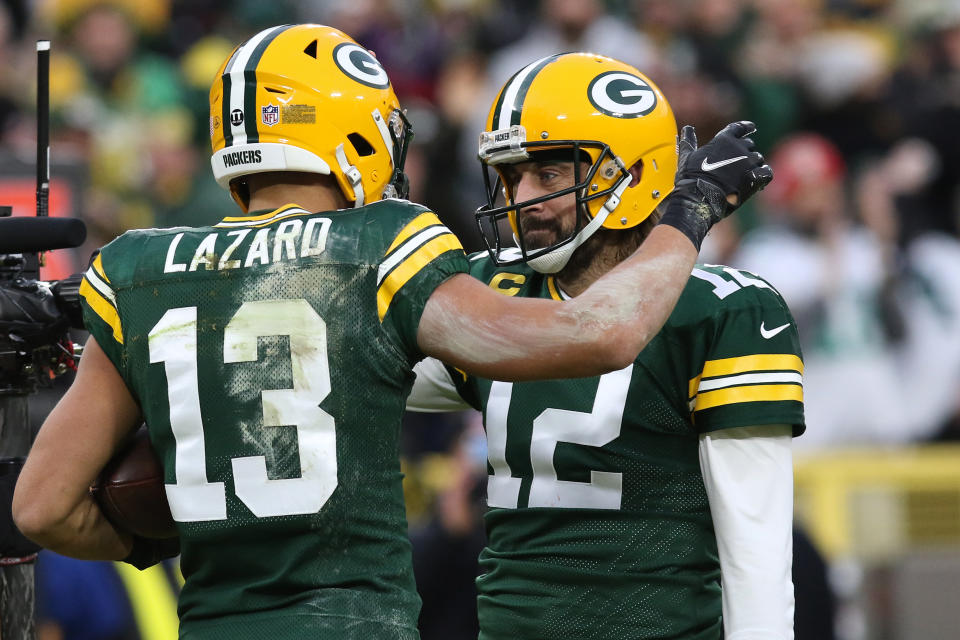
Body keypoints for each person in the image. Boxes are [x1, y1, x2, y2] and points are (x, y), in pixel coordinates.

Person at [12, 26, 767, 640]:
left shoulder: (136, 267)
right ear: (354, 134)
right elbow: (605, 331)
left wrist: (167, 528)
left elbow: (41, 508)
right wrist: (689, 208)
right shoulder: (379, 243)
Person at [407, 52, 800, 639]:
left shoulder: (720, 312)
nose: (523, 199)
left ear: (634, 176)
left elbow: (757, 552)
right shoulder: (494, 290)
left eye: (549, 175)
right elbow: (360, 376)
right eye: (511, 177)